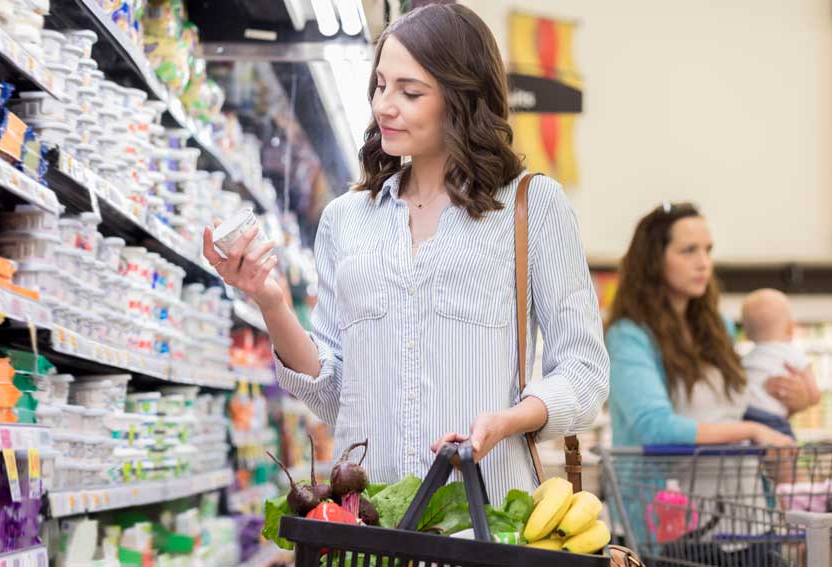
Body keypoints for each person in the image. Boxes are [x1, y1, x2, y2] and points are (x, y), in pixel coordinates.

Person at [202, 3, 609, 503]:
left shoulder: (531, 208)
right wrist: (270, 302)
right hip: (372, 529)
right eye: (380, 85)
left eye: (409, 92)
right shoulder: (345, 221)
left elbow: (585, 371)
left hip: (485, 522)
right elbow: (334, 395)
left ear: (462, 99)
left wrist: (509, 421)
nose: (383, 106)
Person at [606, 203, 798, 448]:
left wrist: (789, 402)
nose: (704, 263)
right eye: (688, 250)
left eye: (708, 250)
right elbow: (653, 427)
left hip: (738, 482)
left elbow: (733, 415)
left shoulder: (720, 328)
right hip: (664, 485)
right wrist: (750, 430)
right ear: (653, 260)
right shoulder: (629, 337)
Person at [741, 288, 820, 438]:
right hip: (775, 421)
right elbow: (814, 394)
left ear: (746, 334)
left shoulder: (746, 359)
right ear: (790, 327)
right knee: (785, 452)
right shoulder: (793, 355)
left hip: (746, 419)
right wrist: (806, 400)